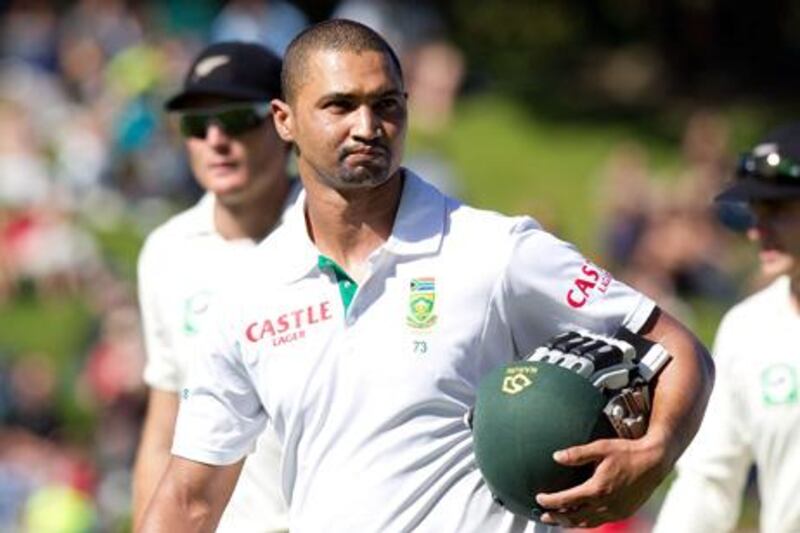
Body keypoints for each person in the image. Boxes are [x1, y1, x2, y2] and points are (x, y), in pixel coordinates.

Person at [139, 20, 713, 532]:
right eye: (339, 106)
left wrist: (657, 450)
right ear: (284, 121)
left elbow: (678, 346)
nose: (368, 126)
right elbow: (190, 500)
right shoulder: (248, 293)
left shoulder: (498, 251)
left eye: (387, 104)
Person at [131, 41, 299, 532]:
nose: (215, 139)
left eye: (236, 119)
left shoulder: (332, 234)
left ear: (284, 123)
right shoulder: (166, 251)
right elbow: (164, 426)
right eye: (194, 125)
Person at [654, 123, 800, 533]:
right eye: (757, 212)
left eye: (780, 212)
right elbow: (707, 480)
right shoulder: (748, 329)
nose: (756, 230)